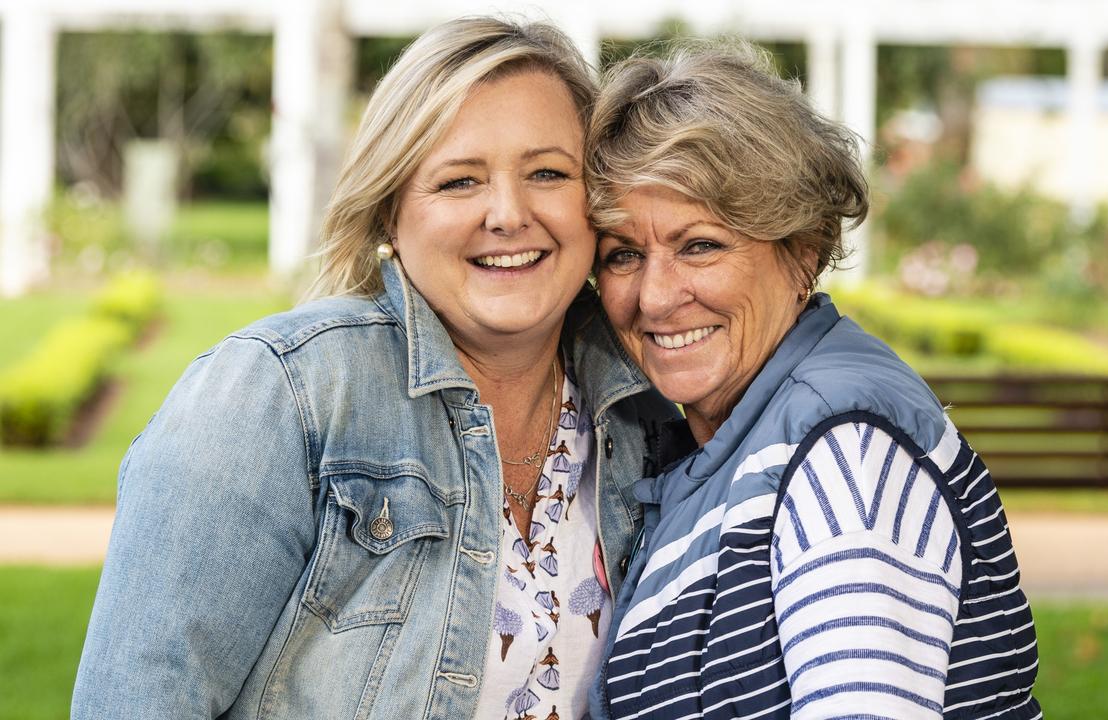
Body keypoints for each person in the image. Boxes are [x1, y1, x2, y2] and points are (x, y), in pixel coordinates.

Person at [72, 17, 677, 719]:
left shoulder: (646, 417)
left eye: (547, 172)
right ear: (392, 213)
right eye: (458, 181)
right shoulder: (281, 396)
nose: (509, 214)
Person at [585, 43, 1042, 720]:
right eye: (623, 254)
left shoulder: (842, 454)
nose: (654, 297)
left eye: (700, 246)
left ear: (803, 251)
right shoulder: (737, 441)